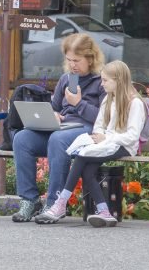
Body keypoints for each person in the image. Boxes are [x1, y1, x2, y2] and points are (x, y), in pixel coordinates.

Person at [34, 60, 146, 226]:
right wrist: (98, 136)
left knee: (81, 158)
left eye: (105, 80)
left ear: (119, 81)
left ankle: (60, 204)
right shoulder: (108, 99)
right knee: (87, 171)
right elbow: (99, 125)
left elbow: (132, 136)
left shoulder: (135, 103)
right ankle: (105, 213)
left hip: (123, 146)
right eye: (102, 80)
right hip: (105, 143)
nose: (102, 84)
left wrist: (106, 138)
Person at [11, 33, 106, 223]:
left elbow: (103, 118)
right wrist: (53, 115)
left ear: (91, 59)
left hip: (88, 130)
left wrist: (79, 104)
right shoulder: (65, 79)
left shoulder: (101, 82)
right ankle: (30, 200)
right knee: (22, 138)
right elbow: (55, 107)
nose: (72, 65)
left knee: (57, 139)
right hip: (62, 128)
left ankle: (54, 203)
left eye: (77, 60)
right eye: (69, 60)